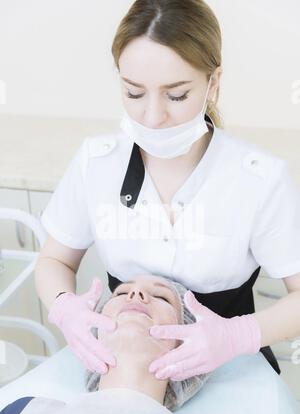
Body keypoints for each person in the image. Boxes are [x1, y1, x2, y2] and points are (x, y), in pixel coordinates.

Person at [35, 0, 300, 383]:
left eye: (176, 95)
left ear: (214, 83)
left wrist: (237, 335)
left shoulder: (259, 179)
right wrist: (64, 307)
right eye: (134, 93)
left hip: (232, 370)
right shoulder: (97, 162)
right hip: (121, 367)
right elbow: (54, 261)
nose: (153, 116)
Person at [0, 275, 252, 414]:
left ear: (186, 348)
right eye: (120, 292)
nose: (135, 293)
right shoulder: (22, 411)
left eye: (163, 298)